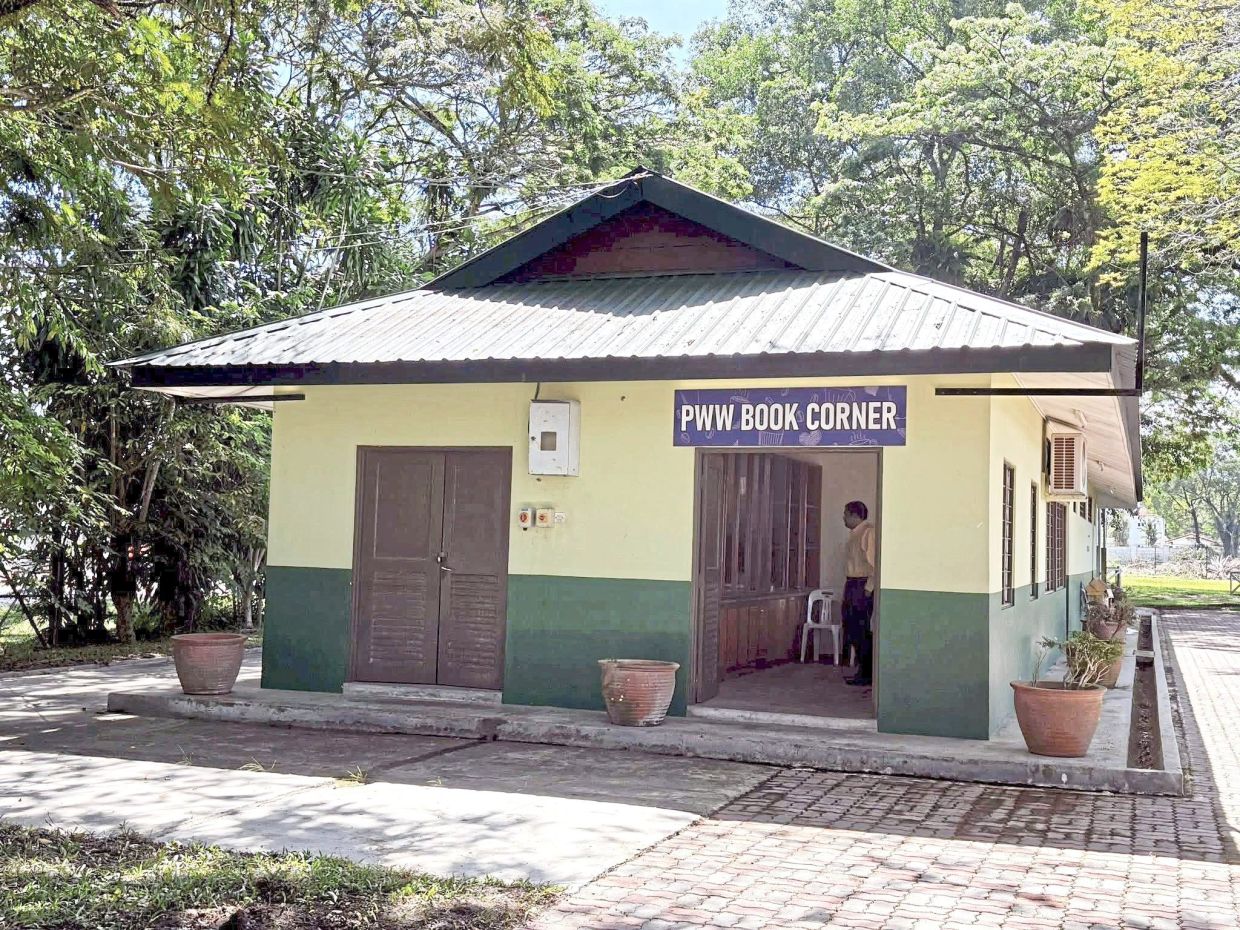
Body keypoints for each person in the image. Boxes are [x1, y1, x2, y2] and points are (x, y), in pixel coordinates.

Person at [841, 500, 876, 687]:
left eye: (846, 514)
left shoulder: (868, 533)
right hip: (852, 583)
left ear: (855, 515)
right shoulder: (854, 534)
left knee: (860, 628)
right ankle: (862, 670)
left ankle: (867, 672)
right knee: (850, 626)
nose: (843, 518)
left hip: (862, 585)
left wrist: (868, 589)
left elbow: (874, 565)